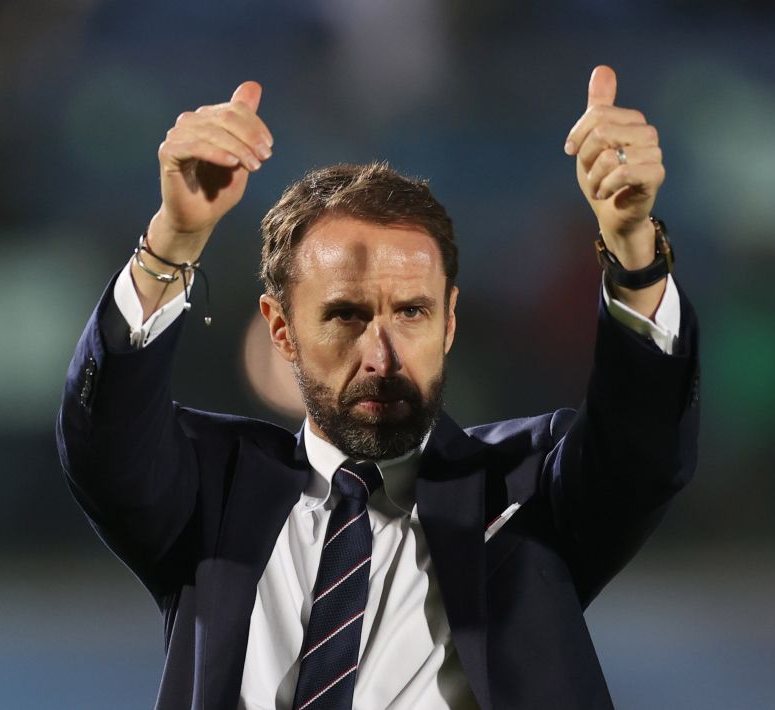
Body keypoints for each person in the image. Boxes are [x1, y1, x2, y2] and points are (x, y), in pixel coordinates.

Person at [56, 65, 700, 710]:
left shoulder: (528, 493)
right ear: (281, 329)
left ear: (450, 321)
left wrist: (634, 251)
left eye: (411, 312)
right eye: (346, 315)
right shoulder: (211, 492)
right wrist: (174, 239)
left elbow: (642, 445)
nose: (381, 354)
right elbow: (105, 439)